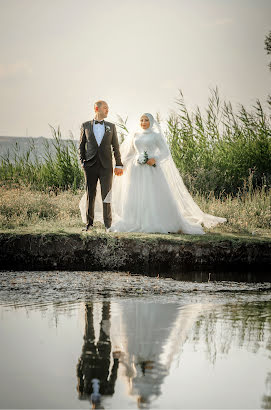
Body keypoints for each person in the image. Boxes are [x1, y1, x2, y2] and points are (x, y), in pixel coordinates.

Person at [104, 113, 226, 234]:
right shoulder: (135, 135)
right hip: (136, 170)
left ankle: (154, 221)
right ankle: (134, 221)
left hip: (151, 169)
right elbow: (130, 152)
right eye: (141, 120)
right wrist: (123, 164)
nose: (143, 122)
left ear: (151, 122)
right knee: (136, 194)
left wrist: (154, 159)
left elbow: (165, 152)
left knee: (151, 195)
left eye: (146, 120)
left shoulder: (156, 136)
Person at [79, 100, 123, 231]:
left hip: (106, 166)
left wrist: (119, 164)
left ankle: (108, 225)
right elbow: (81, 146)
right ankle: (89, 224)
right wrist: (82, 161)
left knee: (106, 194)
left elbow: (116, 147)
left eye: (108, 108)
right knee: (90, 194)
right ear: (96, 109)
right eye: (105, 108)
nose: (107, 110)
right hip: (90, 165)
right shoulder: (85, 125)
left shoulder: (111, 126)